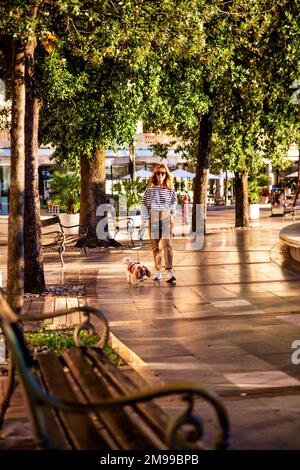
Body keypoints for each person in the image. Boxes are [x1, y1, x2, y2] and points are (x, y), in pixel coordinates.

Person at [140, 164, 177, 282]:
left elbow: (174, 202)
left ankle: (169, 271)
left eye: (163, 173)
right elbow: (144, 205)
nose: (160, 175)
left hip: (166, 216)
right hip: (154, 217)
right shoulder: (150, 189)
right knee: (155, 247)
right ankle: (158, 271)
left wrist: (172, 213)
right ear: (154, 175)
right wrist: (143, 220)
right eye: (158, 173)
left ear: (166, 174)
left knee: (168, 245)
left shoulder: (170, 189)